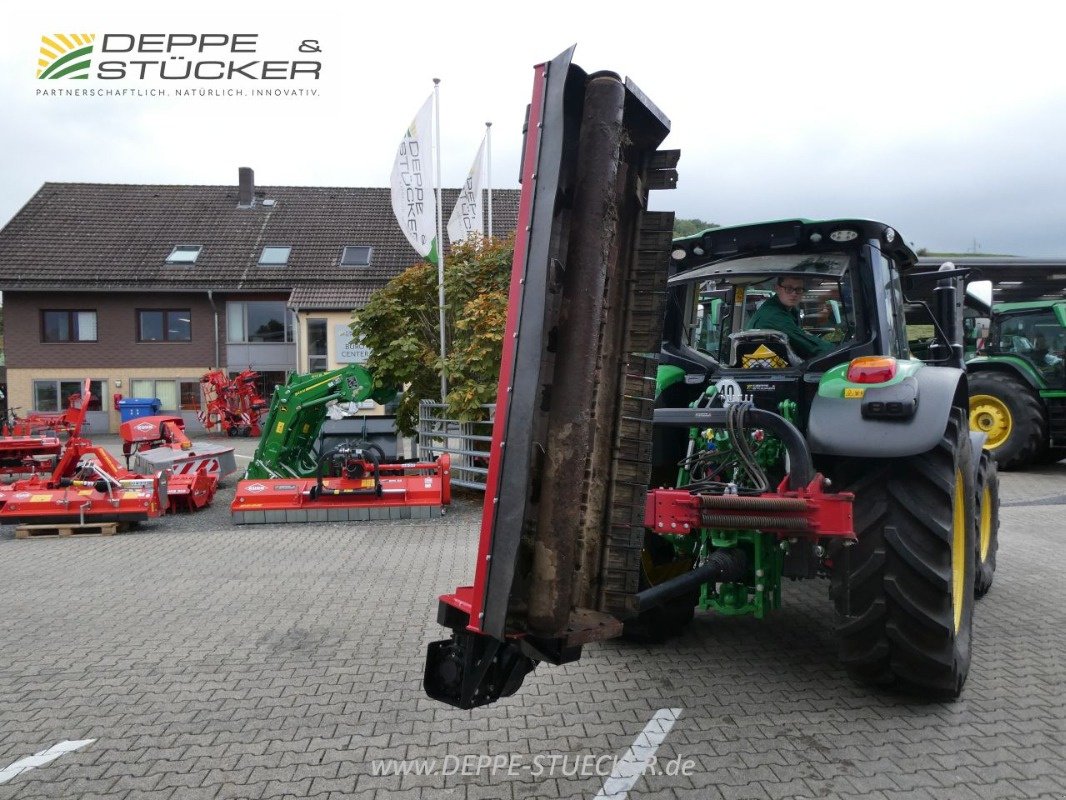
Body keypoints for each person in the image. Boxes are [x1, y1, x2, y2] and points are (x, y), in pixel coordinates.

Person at [747, 276, 834, 359]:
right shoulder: (774, 316)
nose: (794, 294)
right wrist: (838, 350)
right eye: (788, 289)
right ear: (777, 288)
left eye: (798, 289)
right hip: (768, 370)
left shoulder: (787, 310)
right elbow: (808, 345)